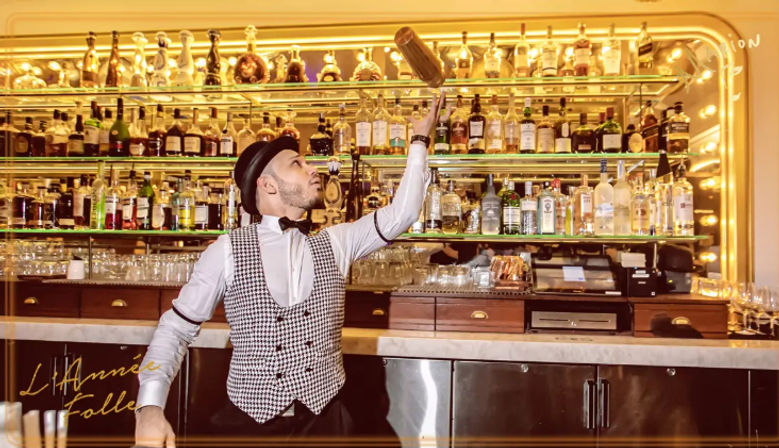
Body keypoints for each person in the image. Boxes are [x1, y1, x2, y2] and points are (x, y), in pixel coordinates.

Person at [134, 93, 445, 447]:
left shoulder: (337, 241)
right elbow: (174, 330)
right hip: (249, 427)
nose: (313, 168)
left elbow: (401, 215)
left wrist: (419, 140)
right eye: (297, 163)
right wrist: (149, 407)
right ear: (267, 185)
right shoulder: (226, 251)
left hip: (326, 422)